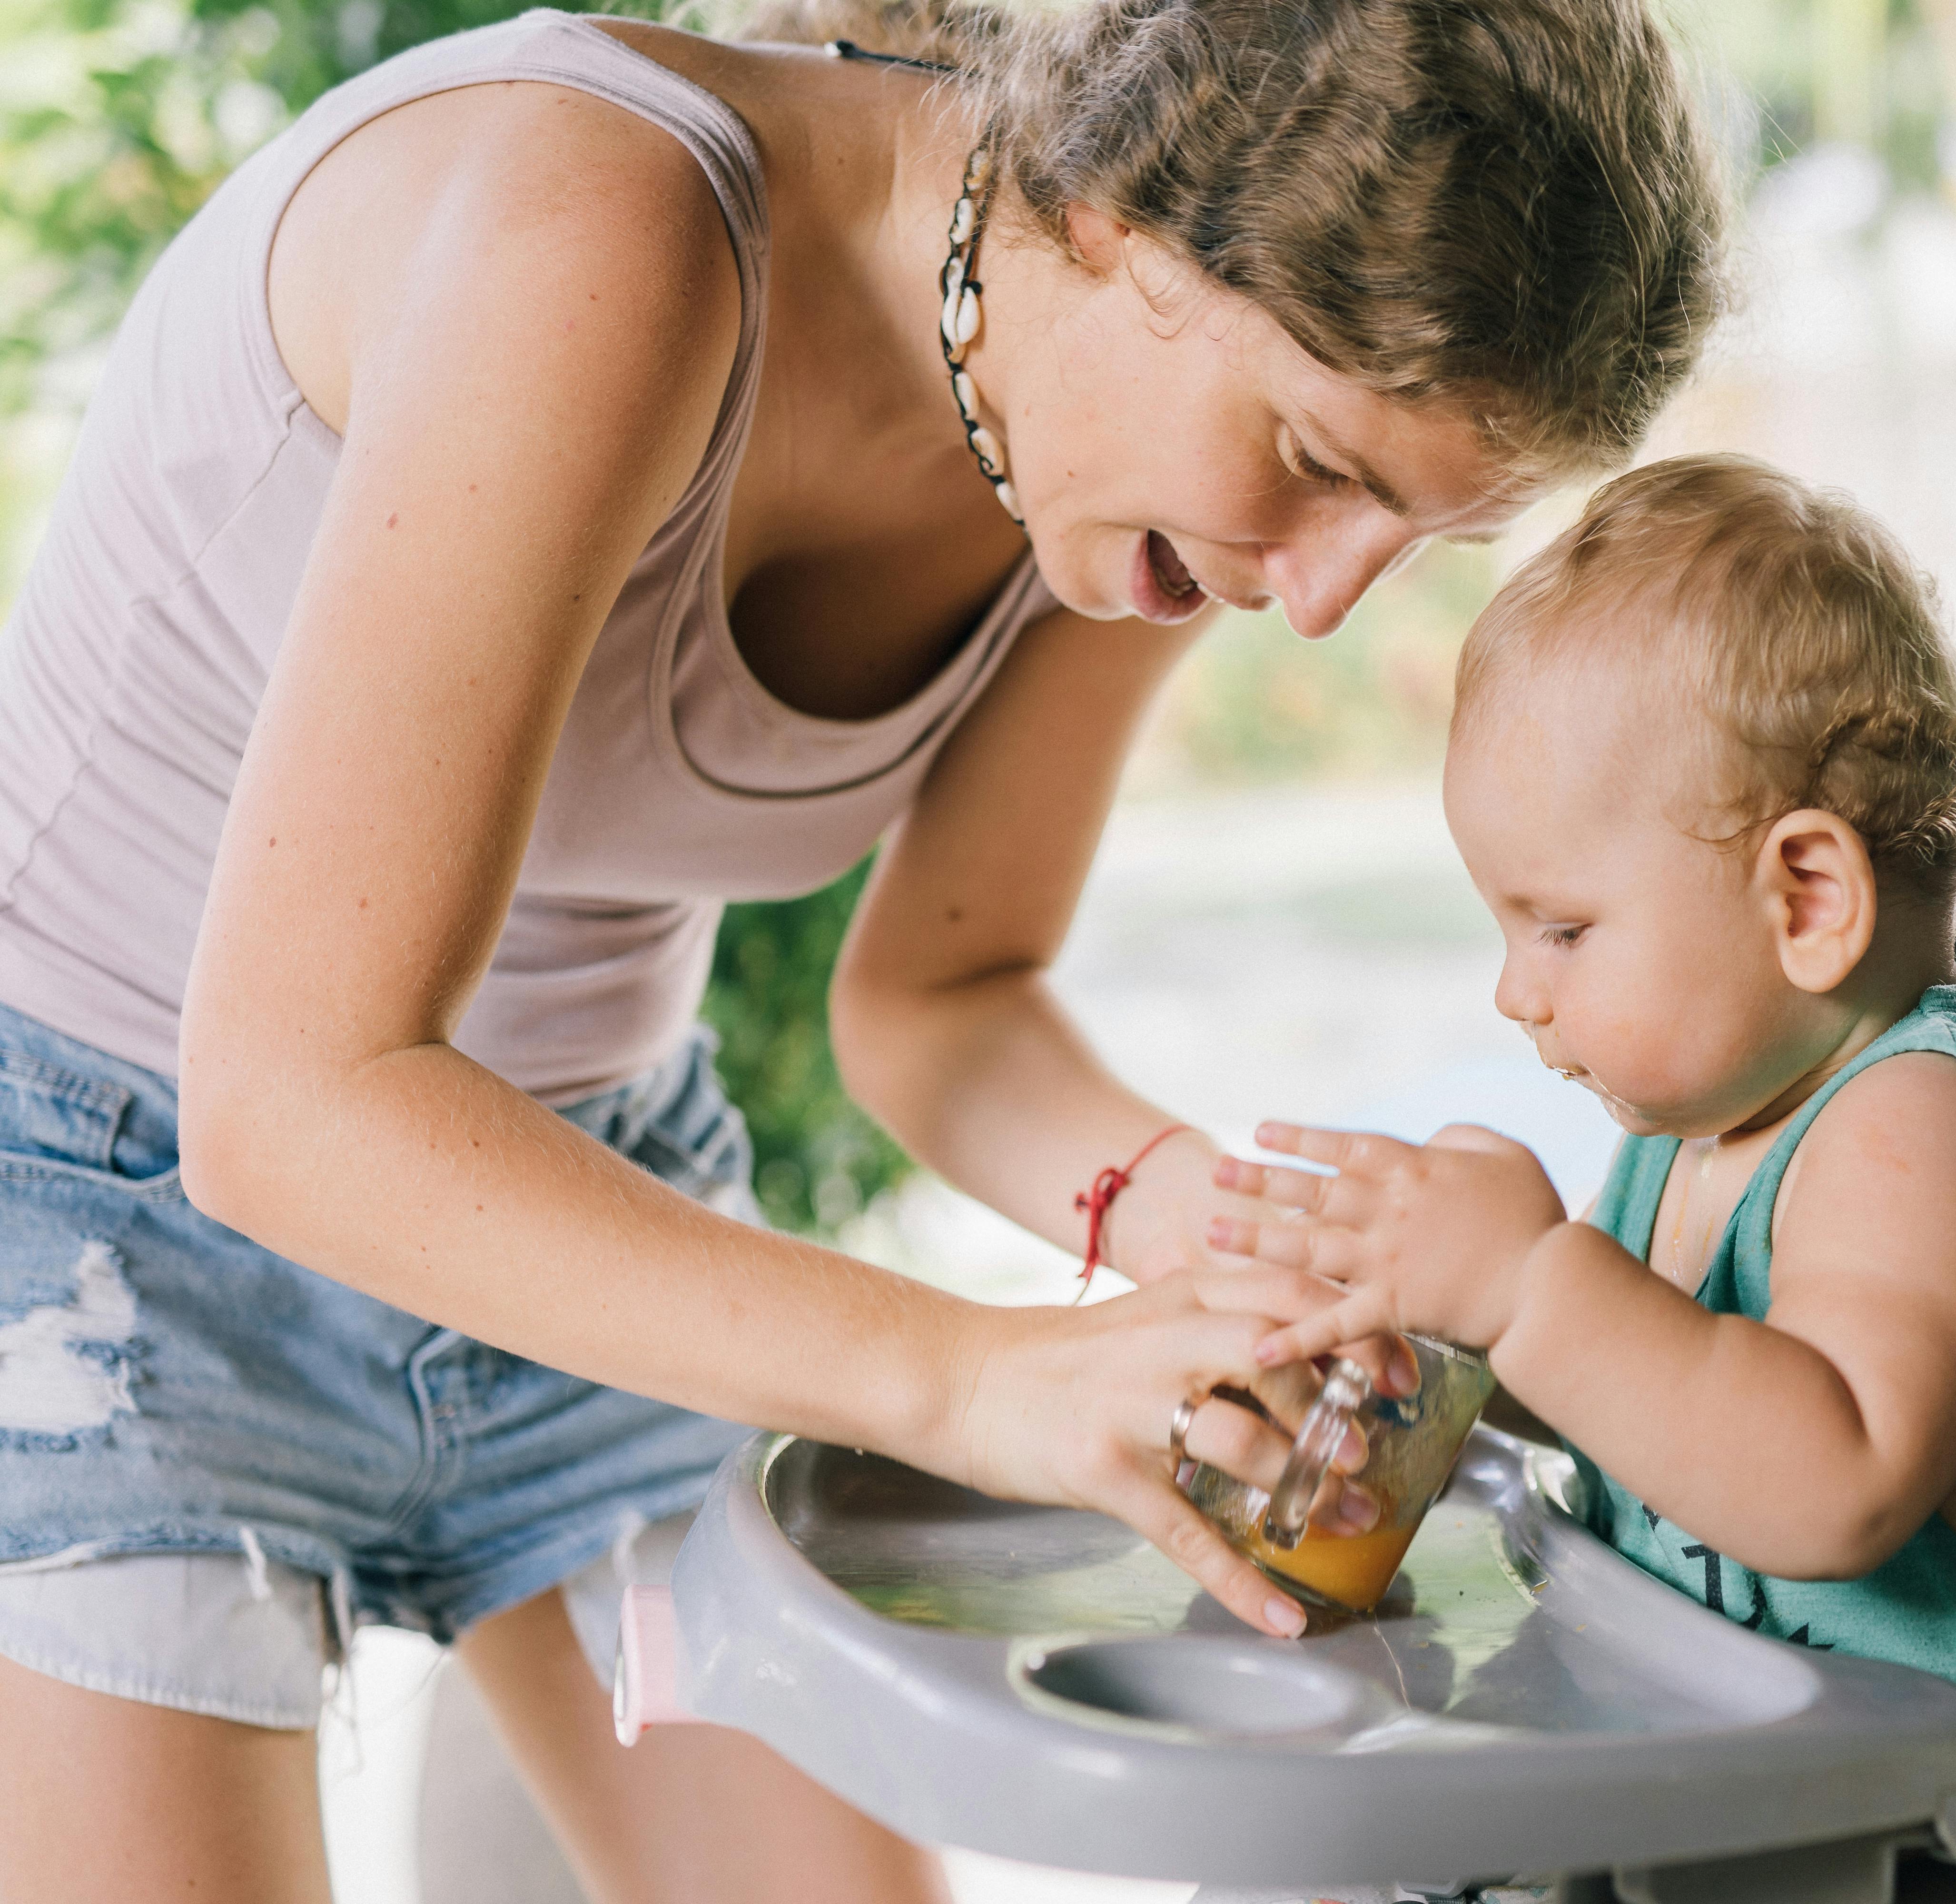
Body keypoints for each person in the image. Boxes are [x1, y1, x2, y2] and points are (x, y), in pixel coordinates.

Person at [0, 0, 1724, 1892]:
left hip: (593, 1184)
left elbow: (944, 1001)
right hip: (98, 1220)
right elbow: (292, 1100)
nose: (1314, 599)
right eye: (1320, 463)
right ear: (1116, 213)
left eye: (1410, 534)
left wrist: (1235, 1254)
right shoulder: (604, 230)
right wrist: (976, 1374)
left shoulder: (1135, 460)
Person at [1212, 455, 1956, 1778]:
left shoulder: (1925, 1130)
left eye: (1563, 927)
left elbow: (1833, 1483)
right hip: (1719, 1791)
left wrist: (1533, 1290)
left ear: (1808, 899)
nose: (1514, 991)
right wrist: (1446, 1341)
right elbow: (1655, 1413)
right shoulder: (1690, 1136)